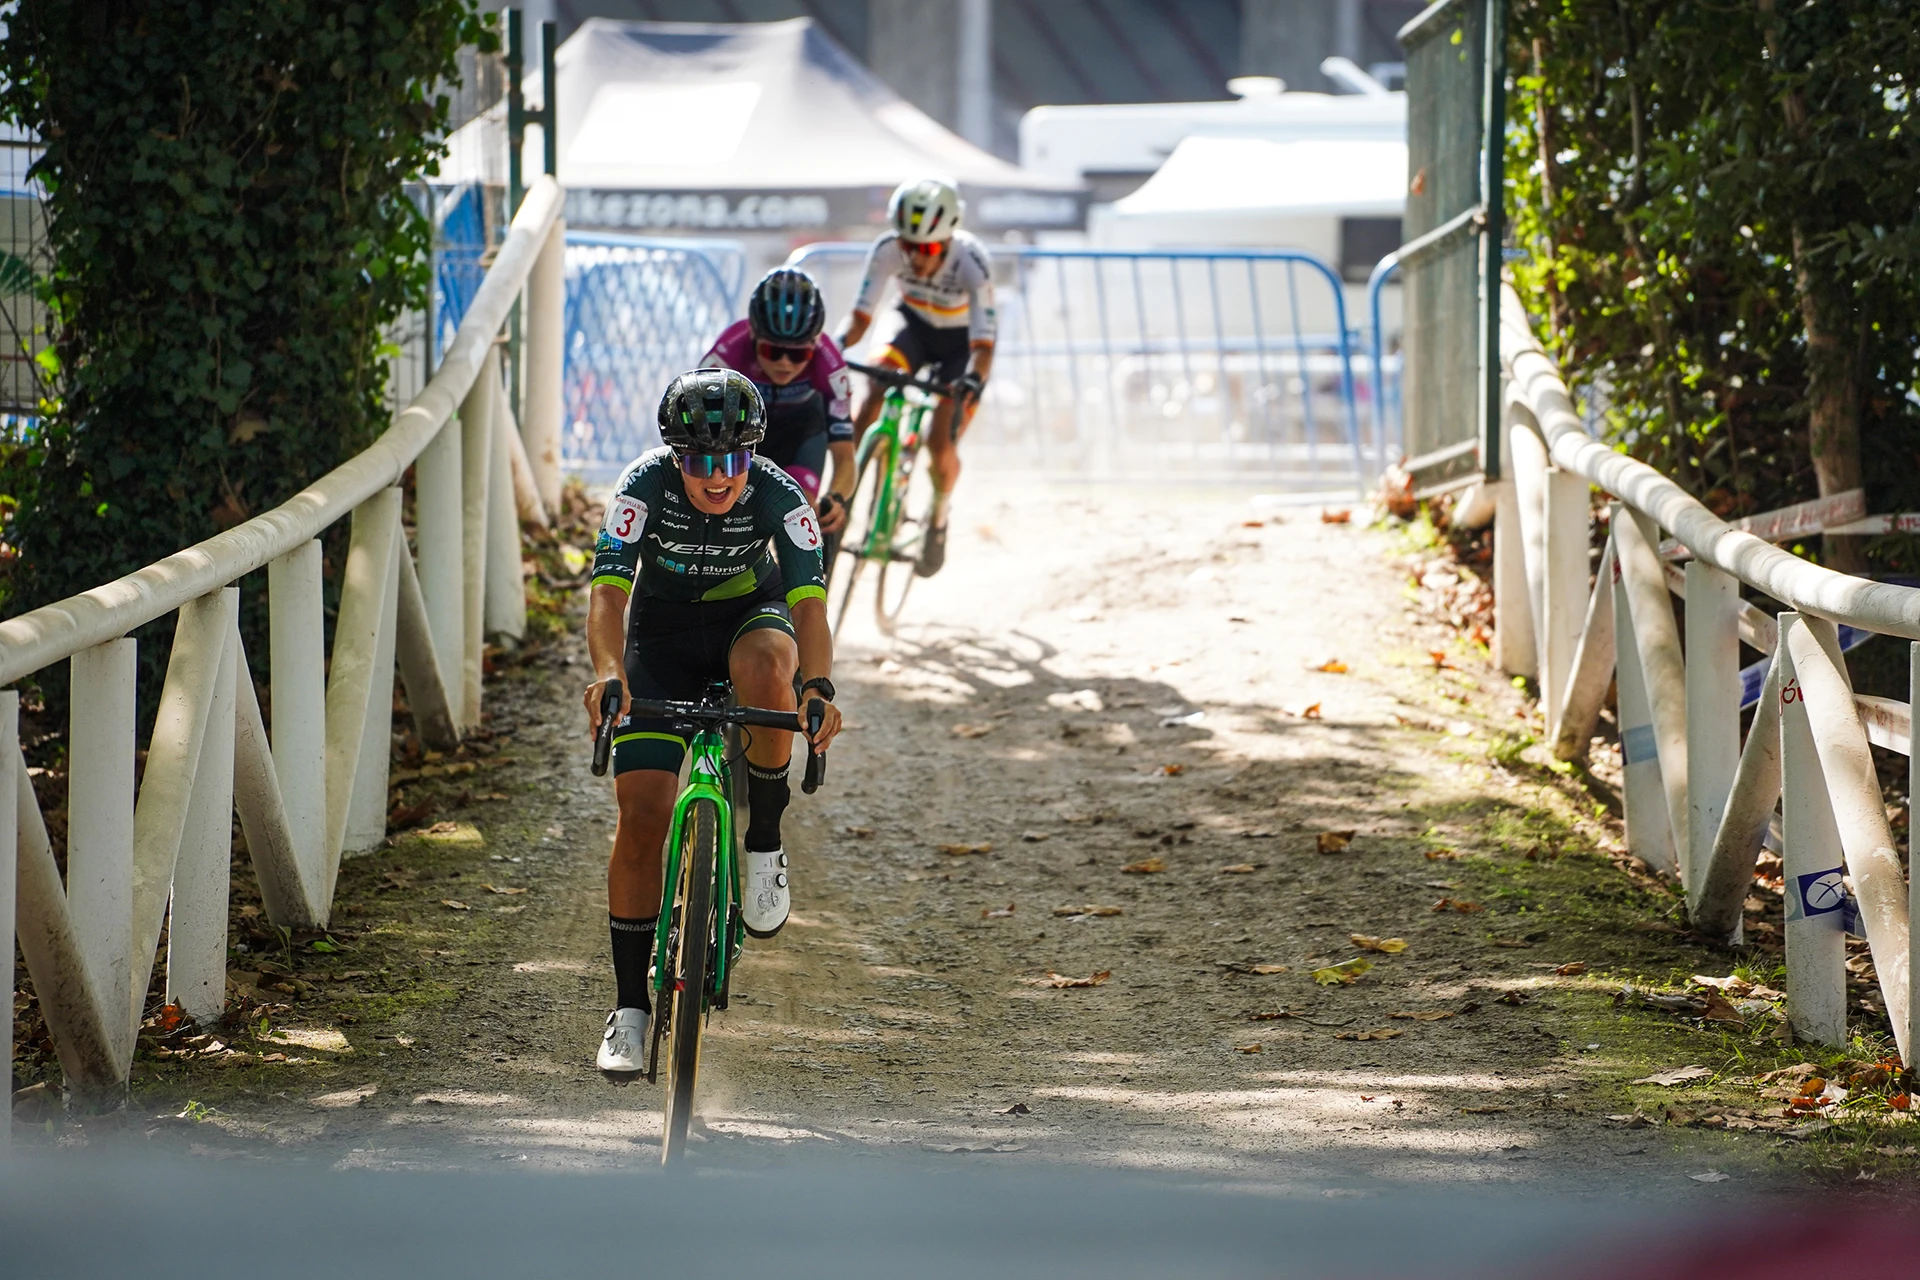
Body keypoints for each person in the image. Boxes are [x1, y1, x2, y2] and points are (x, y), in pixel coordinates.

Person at [581, 368, 844, 1077]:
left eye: (733, 459)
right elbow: (608, 595)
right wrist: (609, 675)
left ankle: (762, 839)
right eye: (701, 461)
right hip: (661, 640)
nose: (718, 477)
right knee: (641, 816)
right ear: (675, 457)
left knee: (769, 667)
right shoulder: (641, 488)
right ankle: (630, 1007)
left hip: (746, 620)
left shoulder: (782, 497)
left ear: (752, 454)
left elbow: (810, 607)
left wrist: (817, 688)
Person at [836, 177, 996, 577]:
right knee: (874, 387)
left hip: (962, 345)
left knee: (940, 445)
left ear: (947, 239)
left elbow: (984, 345)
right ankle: (843, 490)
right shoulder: (888, 249)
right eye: (908, 246)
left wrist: (973, 381)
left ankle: (938, 518)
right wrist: (833, 346)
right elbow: (859, 318)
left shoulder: (973, 262)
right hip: (910, 324)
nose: (916, 258)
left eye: (926, 248)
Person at [700, 267, 856, 535]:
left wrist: (838, 498)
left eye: (798, 355)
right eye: (772, 351)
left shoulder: (831, 366)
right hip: (740, 434)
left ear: (815, 346)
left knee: (800, 506)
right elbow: (695, 434)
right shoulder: (725, 355)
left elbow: (844, 454)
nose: (784, 362)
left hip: (801, 432)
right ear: (753, 338)